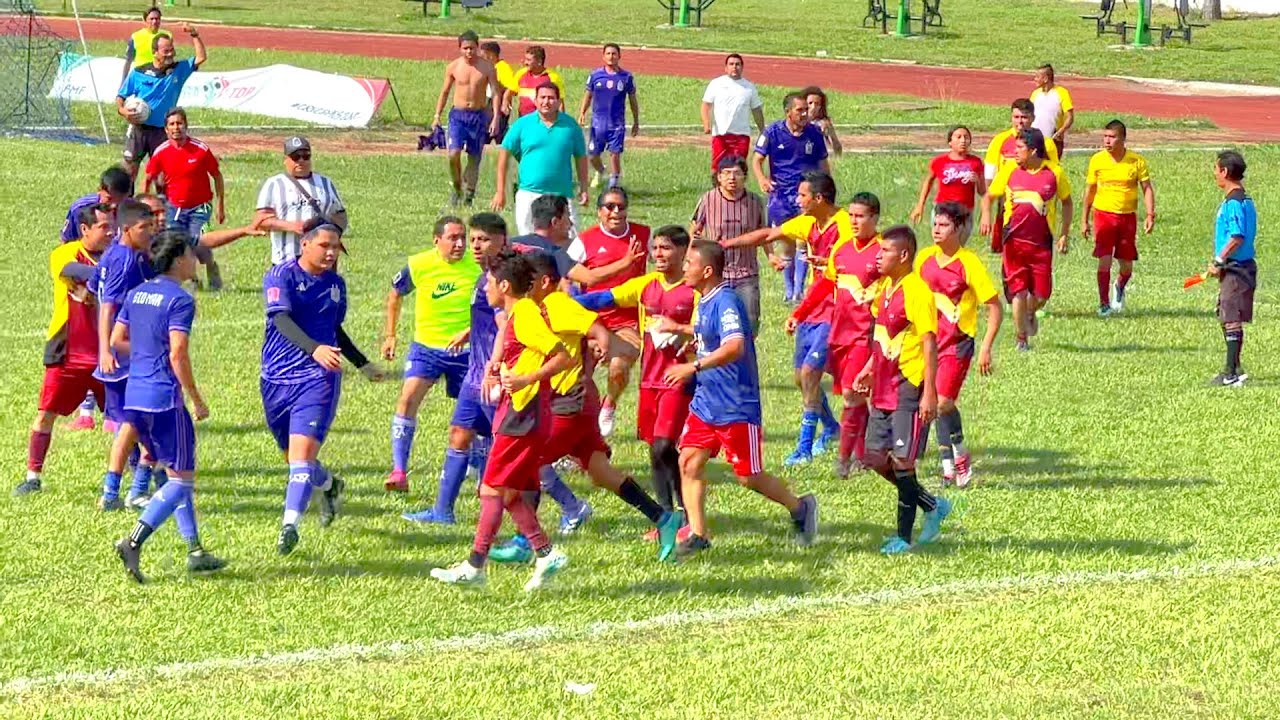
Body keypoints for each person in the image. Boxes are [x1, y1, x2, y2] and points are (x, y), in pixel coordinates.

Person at [486, 252, 682, 563]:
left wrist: (603, 342)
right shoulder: (535, 310)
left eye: (530, 279)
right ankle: (664, 519)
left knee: (529, 461)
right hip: (573, 401)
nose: (526, 284)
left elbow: (593, 326)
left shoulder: (558, 304)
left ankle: (526, 542)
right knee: (601, 472)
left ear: (545, 282)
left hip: (570, 402)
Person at [662, 241, 818, 558]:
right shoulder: (705, 300)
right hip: (707, 400)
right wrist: (693, 340)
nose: (684, 267)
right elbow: (712, 334)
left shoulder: (727, 300)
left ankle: (800, 507)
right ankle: (699, 535)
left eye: (689, 262)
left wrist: (693, 366)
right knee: (688, 462)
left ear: (707, 271)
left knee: (748, 476)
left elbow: (735, 346)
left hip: (735, 403)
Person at [430, 253, 571, 591]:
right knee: (506, 493)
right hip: (520, 411)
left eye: (490, 283)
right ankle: (545, 552)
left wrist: (527, 380)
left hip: (524, 413)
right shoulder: (515, 314)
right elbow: (513, 344)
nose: (486, 288)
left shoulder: (525, 316)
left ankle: (475, 565)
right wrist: (497, 367)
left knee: (490, 488)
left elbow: (562, 355)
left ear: (504, 285)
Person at [112, 229, 226, 583]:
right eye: (192, 254)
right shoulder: (180, 300)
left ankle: (195, 550)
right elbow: (178, 352)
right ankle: (133, 541)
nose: (195, 260)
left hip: (135, 400)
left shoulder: (136, 293)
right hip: (164, 400)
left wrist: (146, 353)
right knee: (181, 482)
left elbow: (118, 341)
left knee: (174, 475)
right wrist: (196, 398)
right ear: (178, 259)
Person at [261, 225, 381, 556]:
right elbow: (281, 320)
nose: (331, 253)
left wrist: (361, 363)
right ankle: (330, 486)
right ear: (305, 244)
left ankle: (289, 526)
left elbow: (334, 329)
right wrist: (313, 347)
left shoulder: (336, 285)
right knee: (294, 460)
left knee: (300, 460)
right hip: (275, 380)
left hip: (318, 379)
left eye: (336, 247)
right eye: (324, 246)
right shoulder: (280, 276)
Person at [575, 226, 698, 528]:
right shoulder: (645, 285)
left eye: (666, 248)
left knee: (662, 445)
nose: (658, 254)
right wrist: (561, 306)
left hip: (678, 380)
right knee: (656, 448)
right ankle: (673, 514)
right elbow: (603, 299)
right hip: (649, 380)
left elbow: (707, 329)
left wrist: (687, 337)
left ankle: (676, 514)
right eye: (655, 248)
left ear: (683, 252)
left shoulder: (695, 291)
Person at [721, 172, 844, 466]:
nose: (796, 200)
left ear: (819, 199)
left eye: (802, 196)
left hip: (838, 308)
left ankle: (803, 448)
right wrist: (727, 245)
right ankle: (832, 428)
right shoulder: (808, 223)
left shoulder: (845, 226)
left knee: (811, 374)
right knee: (801, 378)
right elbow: (767, 235)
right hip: (813, 306)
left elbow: (856, 261)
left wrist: (830, 264)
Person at [853, 225, 951, 555]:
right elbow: (883, 336)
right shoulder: (888, 289)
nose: (878, 256)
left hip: (907, 387)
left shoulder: (917, 292)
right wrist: (868, 368)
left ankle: (904, 537)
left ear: (903, 256)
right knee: (874, 458)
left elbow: (929, 342)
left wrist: (929, 393)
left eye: (884, 251)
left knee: (902, 461)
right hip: (882, 385)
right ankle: (932, 505)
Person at [15, 204, 114, 496]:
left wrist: (96, 287)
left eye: (112, 226)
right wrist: (106, 278)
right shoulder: (65, 252)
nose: (111, 232)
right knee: (46, 413)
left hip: (109, 354)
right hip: (67, 352)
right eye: (104, 227)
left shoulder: (117, 254)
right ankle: (32, 477)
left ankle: (139, 482)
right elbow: (71, 270)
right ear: (85, 229)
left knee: (128, 418)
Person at [381, 216, 480, 495]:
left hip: (468, 352)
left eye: (463, 237)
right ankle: (399, 470)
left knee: (476, 413)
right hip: (426, 348)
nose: (460, 244)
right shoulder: (419, 265)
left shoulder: (479, 266)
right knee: (407, 400)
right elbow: (395, 293)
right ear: (437, 240)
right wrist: (391, 335)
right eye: (453, 238)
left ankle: (477, 467)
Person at [788, 191, 883, 477]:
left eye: (861, 216)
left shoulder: (883, 251)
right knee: (855, 397)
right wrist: (799, 314)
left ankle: (844, 460)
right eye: (851, 215)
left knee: (852, 396)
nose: (854, 221)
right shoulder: (841, 249)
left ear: (874, 218)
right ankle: (864, 454)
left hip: (864, 336)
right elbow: (824, 286)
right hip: (839, 335)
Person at [916, 203, 1002, 488]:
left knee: (941, 402)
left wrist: (986, 347)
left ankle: (957, 460)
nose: (936, 230)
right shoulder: (925, 259)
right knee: (937, 404)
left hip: (958, 343)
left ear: (958, 229)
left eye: (943, 225)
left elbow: (994, 306)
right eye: (935, 224)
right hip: (928, 344)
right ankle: (951, 464)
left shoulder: (969, 263)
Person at [96, 200, 163, 511]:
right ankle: (125, 491)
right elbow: (107, 306)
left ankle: (126, 490)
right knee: (140, 423)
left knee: (134, 424)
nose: (149, 232)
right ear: (126, 229)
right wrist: (106, 350)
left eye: (151, 227)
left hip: (127, 353)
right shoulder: (124, 261)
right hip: (125, 356)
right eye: (143, 228)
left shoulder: (119, 255)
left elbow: (93, 286)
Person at [979, 129, 1072, 351]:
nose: (1014, 153)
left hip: (1041, 244)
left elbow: (1067, 203)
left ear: (1033, 150)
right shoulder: (1009, 170)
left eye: (1019, 148)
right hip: (1013, 242)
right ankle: (1021, 338)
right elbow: (989, 197)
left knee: (1041, 295)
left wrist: (1064, 233)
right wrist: (986, 216)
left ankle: (1030, 311)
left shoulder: (1054, 173)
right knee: (1018, 291)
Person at [569, 187, 649, 437]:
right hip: (592, 320)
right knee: (578, 378)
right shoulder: (584, 240)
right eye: (610, 207)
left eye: (621, 207)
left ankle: (609, 405)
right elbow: (565, 274)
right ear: (599, 212)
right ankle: (576, 429)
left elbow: (670, 259)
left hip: (627, 321)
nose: (616, 212)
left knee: (618, 368)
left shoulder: (643, 235)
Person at [753, 93, 830, 303]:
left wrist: (827, 186)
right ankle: (788, 290)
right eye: (800, 110)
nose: (805, 113)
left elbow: (824, 163)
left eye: (806, 109)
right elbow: (757, 160)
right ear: (788, 112)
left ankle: (798, 291)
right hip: (780, 196)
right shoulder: (772, 132)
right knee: (786, 243)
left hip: (806, 196)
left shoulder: (814, 133)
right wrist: (762, 179)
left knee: (803, 242)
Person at [144, 107, 226, 290]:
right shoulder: (161, 152)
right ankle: (192, 279)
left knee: (198, 241)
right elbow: (148, 177)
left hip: (200, 206)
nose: (176, 127)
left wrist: (220, 206)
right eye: (171, 124)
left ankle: (211, 266)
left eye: (179, 123)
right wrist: (146, 205)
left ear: (186, 126)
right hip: (174, 207)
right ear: (166, 129)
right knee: (177, 243)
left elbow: (217, 176)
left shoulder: (201, 150)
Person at [493, 83, 589, 237]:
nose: (546, 102)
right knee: (528, 241)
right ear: (535, 101)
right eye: (542, 97)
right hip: (529, 193)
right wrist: (500, 192)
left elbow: (581, 158)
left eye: (551, 98)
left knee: (571, 242)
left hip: (562, 194)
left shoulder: (571, 127)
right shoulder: (522, 124)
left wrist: (584, 188)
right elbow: (504, 155)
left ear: (558, 101)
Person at [1081, 120, 1156, 316]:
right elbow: (1090, 190)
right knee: (1104, 260)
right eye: (1105, 136)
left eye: (1112, 137)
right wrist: (1084, 219)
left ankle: (1120, 285)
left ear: (1122, 139)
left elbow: (1146, 188)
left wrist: (1150, 214)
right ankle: (1103, 304)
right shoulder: (1097, 160)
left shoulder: (1136, 161)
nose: (1107, 141)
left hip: (1127, 218)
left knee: (1126, 266)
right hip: (1103, 216)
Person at [116, 22, 207, 182]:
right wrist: (123, 110)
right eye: (166, 51)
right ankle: (125, 204)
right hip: (138, 130)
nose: (170, 54)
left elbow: (201, 57)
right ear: (155, 52)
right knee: (129, 170)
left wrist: (195, 34)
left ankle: (162, 204)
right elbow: (120, 96)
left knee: (162, 175)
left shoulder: (179, 69)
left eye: (172, 49)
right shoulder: (139, 72)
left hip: (162, 132)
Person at [690, 155, 769, 334]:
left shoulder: (754, 201)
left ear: (745, 176)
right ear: (718, 177)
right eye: (726, 173)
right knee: (713, 323)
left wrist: (772, 257)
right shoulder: (708, 199)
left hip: (746, 273)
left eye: (737, 174)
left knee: (749, 324)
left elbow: (763, 233)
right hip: (717, 274)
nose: (731, 178)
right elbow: (695, 230)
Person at [508, 194, 646, 290]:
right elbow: (590, 278)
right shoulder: (555, 254)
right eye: (567, 217)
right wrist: (626, 261)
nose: (571, 224)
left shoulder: (511, 244)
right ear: (555, 222)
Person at [432, 30, 503, 207]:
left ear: (477, 48)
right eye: (465, 48)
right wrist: (437, 115)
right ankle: (457, 187)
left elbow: (495, 93)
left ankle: (469, 193)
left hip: (478, 116)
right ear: (460, 48)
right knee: (453, 154)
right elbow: (445, 92)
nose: (469, 52)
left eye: (472, 48)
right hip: (458, 115)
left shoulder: (487, 67)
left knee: (474, 157)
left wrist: (495, 117)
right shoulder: (454, 67)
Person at [1206, 150, 1256, 388]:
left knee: (1231, 317)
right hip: (1237, 267)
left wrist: (1218, 260)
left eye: (1216, 169)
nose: (1214, 173)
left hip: (1237, 269)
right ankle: (1235, 367)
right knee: (1226, 315)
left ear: (1224, 172)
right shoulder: (1244, 199)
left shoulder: (1234, 203)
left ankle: (1230, 372)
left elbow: (1236, 237)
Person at [255, 137, 348, 266]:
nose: (301, 161)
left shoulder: (325, 183)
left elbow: (340, 214)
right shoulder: (274, 184)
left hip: (321, 262)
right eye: (295, 157)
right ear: (286, 160)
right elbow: (261, 221)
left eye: (306, 156)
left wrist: (332, 234)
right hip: (286, 260)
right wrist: (293, 226)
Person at [983, 99, 1059, 253]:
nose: (1020, 121)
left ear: (1032, 118)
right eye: (1016, 117)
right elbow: (990, 170)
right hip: (1007, 198)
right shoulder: (1000, 140)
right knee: (1005, 247)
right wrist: (989, 199)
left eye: (1024, 117)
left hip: (1036, 201)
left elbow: (1054, 173)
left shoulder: (1046, 143)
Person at [577, 43, 640, 190]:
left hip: (617, 124)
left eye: (614, 54)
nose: (611, 56)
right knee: (592, 155)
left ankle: (614, 184)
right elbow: (588, 95)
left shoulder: (626, 77)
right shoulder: (595, 76)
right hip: (598, 124)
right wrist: (582, 113)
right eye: (608, 54)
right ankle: (601, 171)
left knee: (615, 154)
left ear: (619, 56)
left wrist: (636, 121)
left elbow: (632, 100)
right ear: (603, 56)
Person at [909, 126, 986, 227]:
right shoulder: (939, 162)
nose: (963, 140)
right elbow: (928, 182)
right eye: (958, 137)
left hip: (965, 212)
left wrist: (977, 180)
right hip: (943, 211)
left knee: (959, 243)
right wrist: (920, 205)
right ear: (950, 142)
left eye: (966, 137)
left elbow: (982, 192)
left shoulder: (976, 162)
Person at [701, 54, 765, 172]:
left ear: (742, 67)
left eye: (737, 64)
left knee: (738, 167)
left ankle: (737, 190)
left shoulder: (749, 88)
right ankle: (717, 189)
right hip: (721, 134)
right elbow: (706, 105)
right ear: (726, 68)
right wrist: (706, 124)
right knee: (718, 167)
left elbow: (756, 110)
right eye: (731, 64)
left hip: (741, 135)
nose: (734, 67)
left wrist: (762, 130)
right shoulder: (716, 84)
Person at [61, 166, 132, 244]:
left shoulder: (134, 211)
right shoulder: (81, 208)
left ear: (128, 194)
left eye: (120, 199)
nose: (114, 205)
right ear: (99, 190)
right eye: (109, 199)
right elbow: (67, 240)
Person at [479, 41, 519, 144]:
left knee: (498, 133)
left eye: (483, 55)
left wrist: (505, 101)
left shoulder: (502, 67)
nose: (481, 57)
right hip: (488, 103)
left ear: (491, 55)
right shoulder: (488, 67)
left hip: (498, 105)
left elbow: (511, 87)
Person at [509, 46, 565, 118]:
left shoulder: (552, 78)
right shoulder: (521, 74)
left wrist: (562, 121)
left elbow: (560, 102)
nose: (525, 62)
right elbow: (510, 91)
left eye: (529, 60)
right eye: (525, 59)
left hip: (544, 120)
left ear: (539, 61)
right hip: (524, 119)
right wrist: (506, 102)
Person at [120, 7, 171, 85]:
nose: (154, 21)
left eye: (157, 19)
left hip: (160, 77)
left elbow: (170, 59)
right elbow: (128, 61)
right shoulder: (136, 37)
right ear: (145, 20)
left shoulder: (167, 36)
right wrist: (123, 83)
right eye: (151, 19)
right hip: (141, 77)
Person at [1031, 64, 1075, 152]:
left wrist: (1060, 132)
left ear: (1046, 78)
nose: (1034, 79)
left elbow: (1069, 117)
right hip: (1035, 139)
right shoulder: (1035, 94)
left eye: (1037, 77)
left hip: (1053, 140)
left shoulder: (1062, 93)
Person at [802, 86, 842, 157]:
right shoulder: (798, 121)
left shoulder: (822, 123)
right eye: (810, 103)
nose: (813, 107)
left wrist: (831, 133)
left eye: (817, 104)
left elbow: (838, 150)